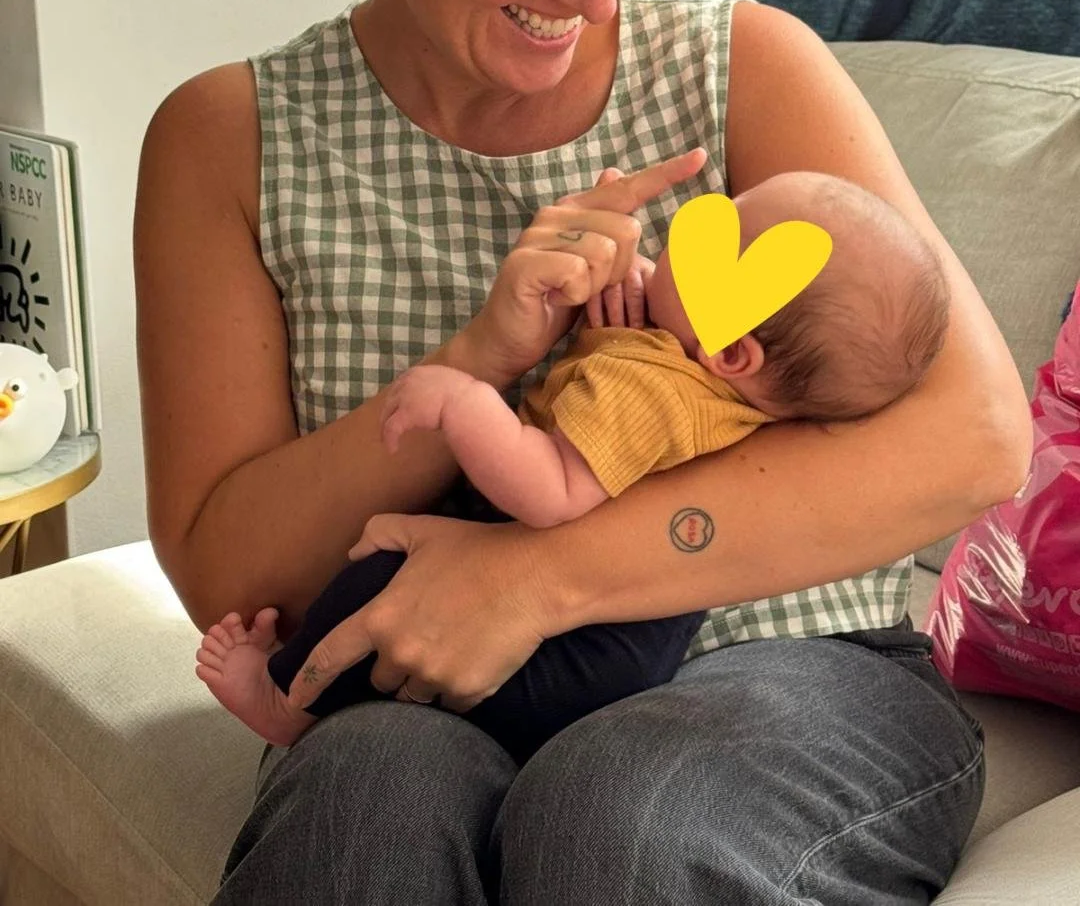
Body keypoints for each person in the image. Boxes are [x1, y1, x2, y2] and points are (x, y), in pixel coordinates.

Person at [135, 0, 1031, 905]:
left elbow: (976, 439)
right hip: (427, 683)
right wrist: (480, 359)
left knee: (622, 817)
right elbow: (229, 572)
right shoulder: (229, 139)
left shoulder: (743, 63)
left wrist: (541, 579)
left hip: (794, 655)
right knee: (358, 816)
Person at [194, 170, 951, 766]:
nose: (683, 235)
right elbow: (660, 360)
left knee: (379, 581)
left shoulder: (654, 394)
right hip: (623, 639)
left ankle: (285, 704)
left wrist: (463, 401)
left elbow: (550, 492)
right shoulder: (706, 384)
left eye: (712, 244)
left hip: (580, 650)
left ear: (731, 350)